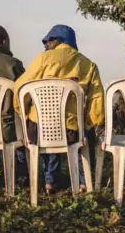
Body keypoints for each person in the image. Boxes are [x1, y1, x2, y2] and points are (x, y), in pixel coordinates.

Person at [13, 24, 104, 194]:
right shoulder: (89, 65)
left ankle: (50, 182)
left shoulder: (42, 59)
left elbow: (19, 88)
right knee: (86, 133)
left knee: (45, 123)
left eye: (49, 41)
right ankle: (84, 182)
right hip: (72, 132)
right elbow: (97, 104)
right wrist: (88, 124)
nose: (46, 45)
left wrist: (23, 112)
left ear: (58, 41)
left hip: (40, 130)